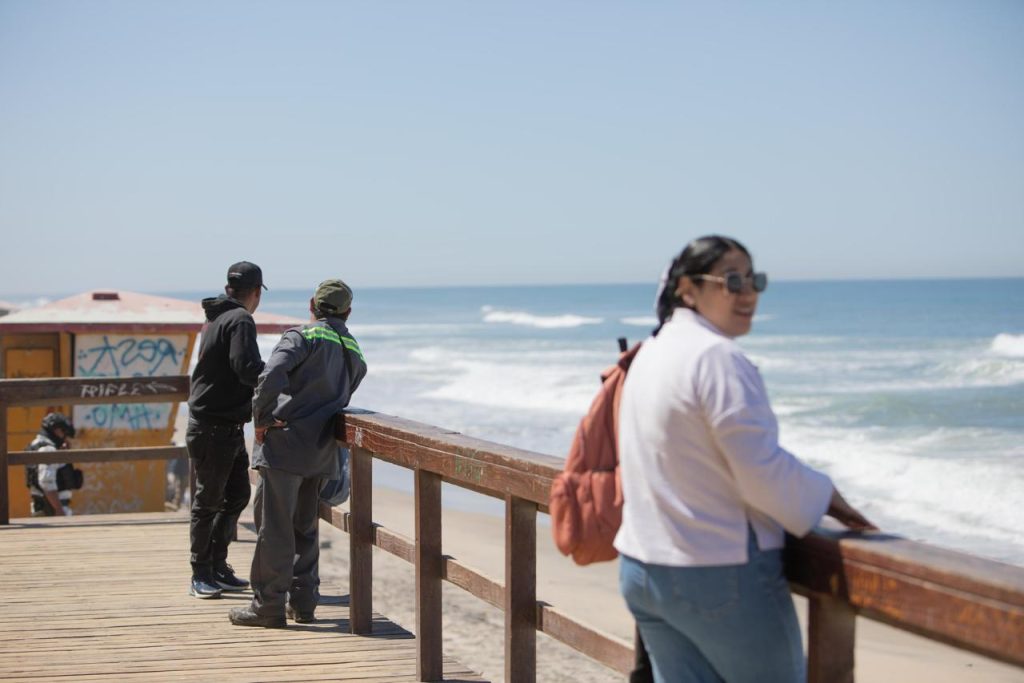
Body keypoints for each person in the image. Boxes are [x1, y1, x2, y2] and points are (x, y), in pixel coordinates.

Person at [614, 235, 875, 683]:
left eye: (754, 279)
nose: (748, 292)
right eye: (731, 280)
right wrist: (825, 494)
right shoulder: (716, 358)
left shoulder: (652, 352)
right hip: (716, 572)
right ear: (687, 289)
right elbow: (759, 473)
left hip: (643, 567)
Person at [230, 278, 367, 628]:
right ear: (348, 312)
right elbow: (353, 383)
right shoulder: (353, 348)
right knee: (305, 527)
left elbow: (271, 374)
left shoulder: (302, 336)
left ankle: (268, 607)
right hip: (322, 451)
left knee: (274, 528)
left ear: (312, 305)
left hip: (286, 445)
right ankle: (304, 603)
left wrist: (261, 419)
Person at [186, 261, 267, 599]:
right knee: (208, 501)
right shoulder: (240, 320)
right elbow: (246, 368)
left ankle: (217, 565)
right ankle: (200, 573)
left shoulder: (218, 317)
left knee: (236, 495)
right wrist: (280, 379)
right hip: (214, 425)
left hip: (224, 425)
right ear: (256, 292)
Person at [25, 412, 78, 516]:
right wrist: (59, 510)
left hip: (44, 507)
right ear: (57, 431)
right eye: (64, 433)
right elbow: (47, 482)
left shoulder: (36, 444)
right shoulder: (47, 449)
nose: (65, 438)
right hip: (52, 510)